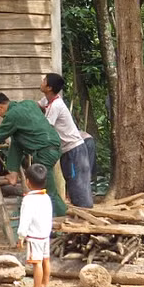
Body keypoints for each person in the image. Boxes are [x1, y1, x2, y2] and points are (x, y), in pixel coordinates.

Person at [0, 93, 66, 217]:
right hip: (53, 144)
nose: (0, 117)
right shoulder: (29, 103)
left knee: (46, 190)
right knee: (17, 139)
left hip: (45, 151)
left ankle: (60, 215)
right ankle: (13, 174)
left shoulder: (12, 115)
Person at [39, 73, 93, 208]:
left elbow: (46, 127)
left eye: (44, 80)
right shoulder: (47, 101)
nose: (42, 81)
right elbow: (37, 105)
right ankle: (81, 216)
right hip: (67, 151)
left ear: (49, 87)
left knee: (78, 185)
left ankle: (85, 216)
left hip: (74, 150)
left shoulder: (56, 105)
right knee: (72, 182)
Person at [18, 163, 53, 287]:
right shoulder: (46, 197)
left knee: (36, 263)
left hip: (34, 237)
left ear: (27, 182)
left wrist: (21, 236)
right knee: (46, 260)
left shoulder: (28, 199)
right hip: (45, 235)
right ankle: (45, 285)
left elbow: (25, 220)